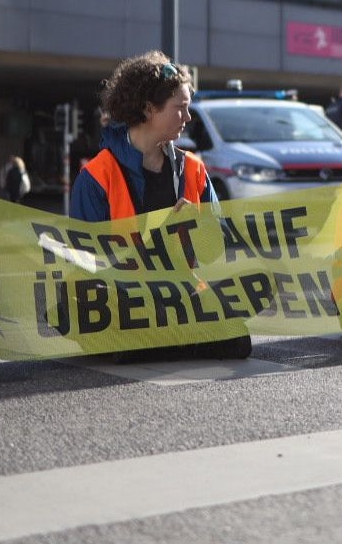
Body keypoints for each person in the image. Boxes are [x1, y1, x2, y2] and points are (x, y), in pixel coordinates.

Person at [70, 50, 250, 360]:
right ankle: (168, 339)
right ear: (149, 109)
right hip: (120, 295)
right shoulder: (97, 175)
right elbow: (85, 258)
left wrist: (203, 223)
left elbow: (214, 250)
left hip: (178, 294)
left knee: (239, 337)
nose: (188, 118)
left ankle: (157, 340)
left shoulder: (193, 169)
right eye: (180, 108)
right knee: (77, 310)